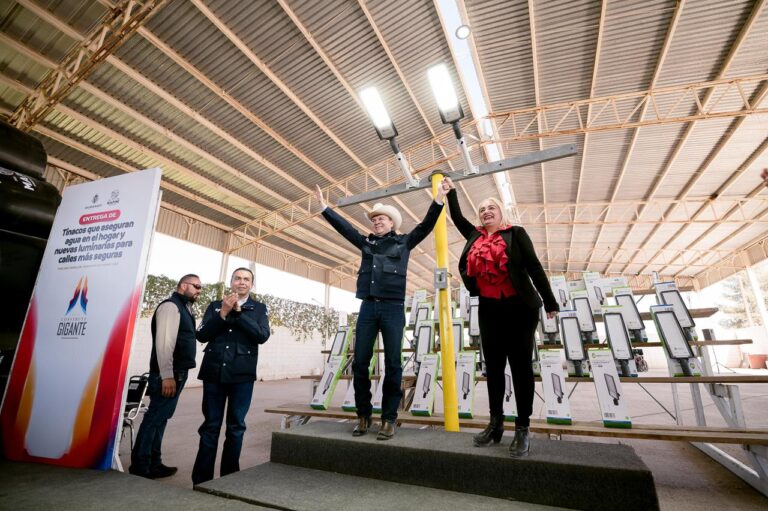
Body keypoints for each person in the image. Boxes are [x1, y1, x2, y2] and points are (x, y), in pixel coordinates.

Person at [314, 183, 446, 440]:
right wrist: (324, 208)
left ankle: (388, 419)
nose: (377, 222)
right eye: (374, 219)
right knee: (361, 362)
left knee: (394, 365)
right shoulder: (366, 244)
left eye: (381, 218)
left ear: (392, 223)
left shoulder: (404, 242)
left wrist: (438, 199)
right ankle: (363, 415)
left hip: (393, 308)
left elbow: (426, 225)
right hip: (368, 307)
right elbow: (346, 229)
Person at [441, 177, 558, 457]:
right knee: (493, 368)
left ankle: (522, 428)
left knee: (520, 368)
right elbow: (456, 217)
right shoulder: (475, 237)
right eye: (482, 209)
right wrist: (451, 192)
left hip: (520, 308)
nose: (486, 212)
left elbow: (534, 267)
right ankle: (495, 425)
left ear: (501, 212)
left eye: (491, 208)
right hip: (490, 309)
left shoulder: (516, 234)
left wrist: (550, 300)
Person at [191, 268, 270, 485]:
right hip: (214, 374)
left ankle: (229, 479)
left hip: (242, 377)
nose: (241, 282)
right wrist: (223, 313)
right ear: (231, 282)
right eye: (238, 278)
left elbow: (262, 335)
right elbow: (202, 334)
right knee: (210, 427)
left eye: (246, 279)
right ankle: (201, 480)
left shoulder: (259, 308)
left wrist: (239, 313)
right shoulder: (215, 305)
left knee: (236, 427)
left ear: (251, 285)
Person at [129, 274, 202, 479]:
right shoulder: (171, 306)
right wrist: (167, 375)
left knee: (161, 419)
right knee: (154, 418)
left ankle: (154, 462)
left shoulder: (184, 307)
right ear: (183, 285)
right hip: (169, 374)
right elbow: (164, 344)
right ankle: (141, 466)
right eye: (196, 286)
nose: (199, 291)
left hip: (177, 373)